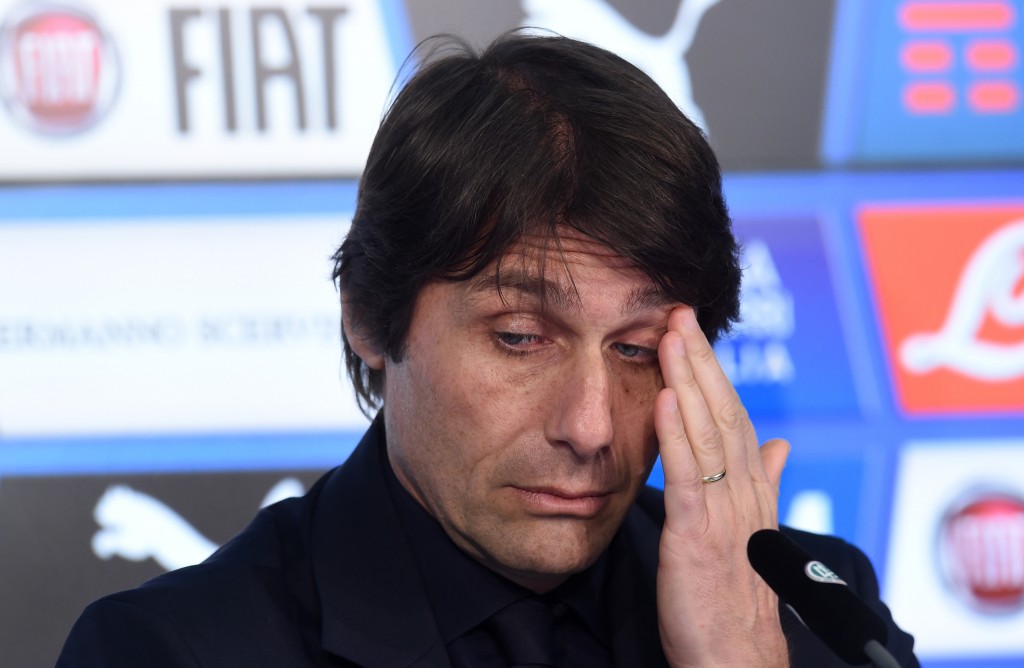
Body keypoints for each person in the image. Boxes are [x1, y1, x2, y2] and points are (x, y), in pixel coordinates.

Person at [57, 33, 918, 667]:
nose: (590, 429)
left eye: (637, 349)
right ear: (368, 315)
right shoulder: (167, 651)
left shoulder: (822, 616)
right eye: (520, 338)